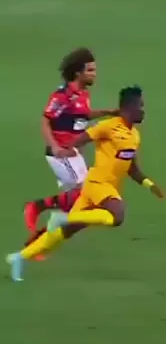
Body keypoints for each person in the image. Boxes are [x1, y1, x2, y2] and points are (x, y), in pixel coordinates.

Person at [7, 85, 164, 282]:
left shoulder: (134, 136)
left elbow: (132, 168)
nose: (143, 111)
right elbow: (81, 139)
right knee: (117, 215)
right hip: (98, 184)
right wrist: (68, 150)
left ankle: (19, 258)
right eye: (140, 106)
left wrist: (149, 185)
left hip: (101, 188)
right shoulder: (108, 126)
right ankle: (64, 218)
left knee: (62, 234)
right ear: (128, 107)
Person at [24, 48, 117, 249]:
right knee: (86, 194)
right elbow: (45, 120)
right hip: (62, 154)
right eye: (90, 70)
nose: (94, 74)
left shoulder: (82, 93)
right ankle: (37, 206)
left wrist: (108, 112)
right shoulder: (62, 96)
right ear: (77, 73)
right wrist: (56, 147)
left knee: (77, 206)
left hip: (74, 155)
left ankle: (36, 242)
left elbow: (83, 115)